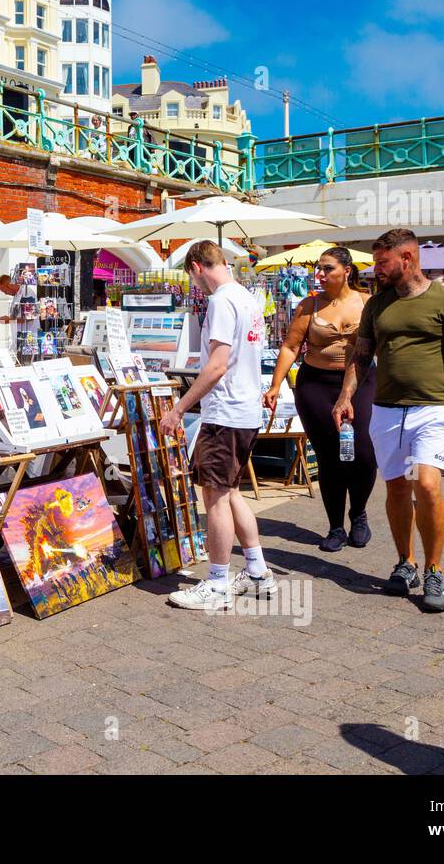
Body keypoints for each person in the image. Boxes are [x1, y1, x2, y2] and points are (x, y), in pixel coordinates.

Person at [333, 229, 444, 613]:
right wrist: (345, 395)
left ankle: (434, 569)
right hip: (386, 409)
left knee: (428, 486)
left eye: (382, 262)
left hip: (430, 409)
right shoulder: (377, 304)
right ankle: (406, 563)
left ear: (407, 259)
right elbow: (361, 356)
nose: (376, 269)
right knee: (397, 489)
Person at [160, 240, 275, 611]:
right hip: (243, 412)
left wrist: (179, 408)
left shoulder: (222, 301)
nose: (193, 285)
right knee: (230, 491)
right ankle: (257, 570)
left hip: (226, 413)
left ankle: (217, 582)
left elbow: (217, 365)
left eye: (190, 277)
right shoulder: (247, 298)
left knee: (215, 496)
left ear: (196, 267)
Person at [264, 247, 377, 552]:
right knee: (330, 456)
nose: (321, 275)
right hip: (316, 386)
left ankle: (359, 513)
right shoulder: (309, 306)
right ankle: (336, 527)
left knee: (362, 452)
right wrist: (276, 386)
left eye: (328, 269)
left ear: (347, 271)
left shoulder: (368, 304)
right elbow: (290, 347)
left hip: (362, 384)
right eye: (319, 269)